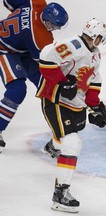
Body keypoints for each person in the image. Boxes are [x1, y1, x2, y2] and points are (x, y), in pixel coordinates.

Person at [36, 18, 106, 213]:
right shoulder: (74, 46)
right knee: (72, 142)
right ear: (96, 36)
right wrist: (61, 82)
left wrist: (96, 106)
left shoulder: (95, 53)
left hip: (76, 103)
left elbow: (94, 79)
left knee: (65, 139)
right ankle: (60, 195)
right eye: (100, 38)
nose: (100, 41)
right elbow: (46, 58)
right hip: (55, 100)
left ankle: (53, 146)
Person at [0, 0, 69, 153]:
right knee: (17, 90)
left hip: (22, 49)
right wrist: (64, 80)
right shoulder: (40, 38)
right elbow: (48, 66)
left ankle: (58, 137)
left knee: (49, 88)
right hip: (4, 49)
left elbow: (8, 2)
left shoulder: (37, 2)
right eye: (54, 25)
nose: (55, 29)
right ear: (47, 20)